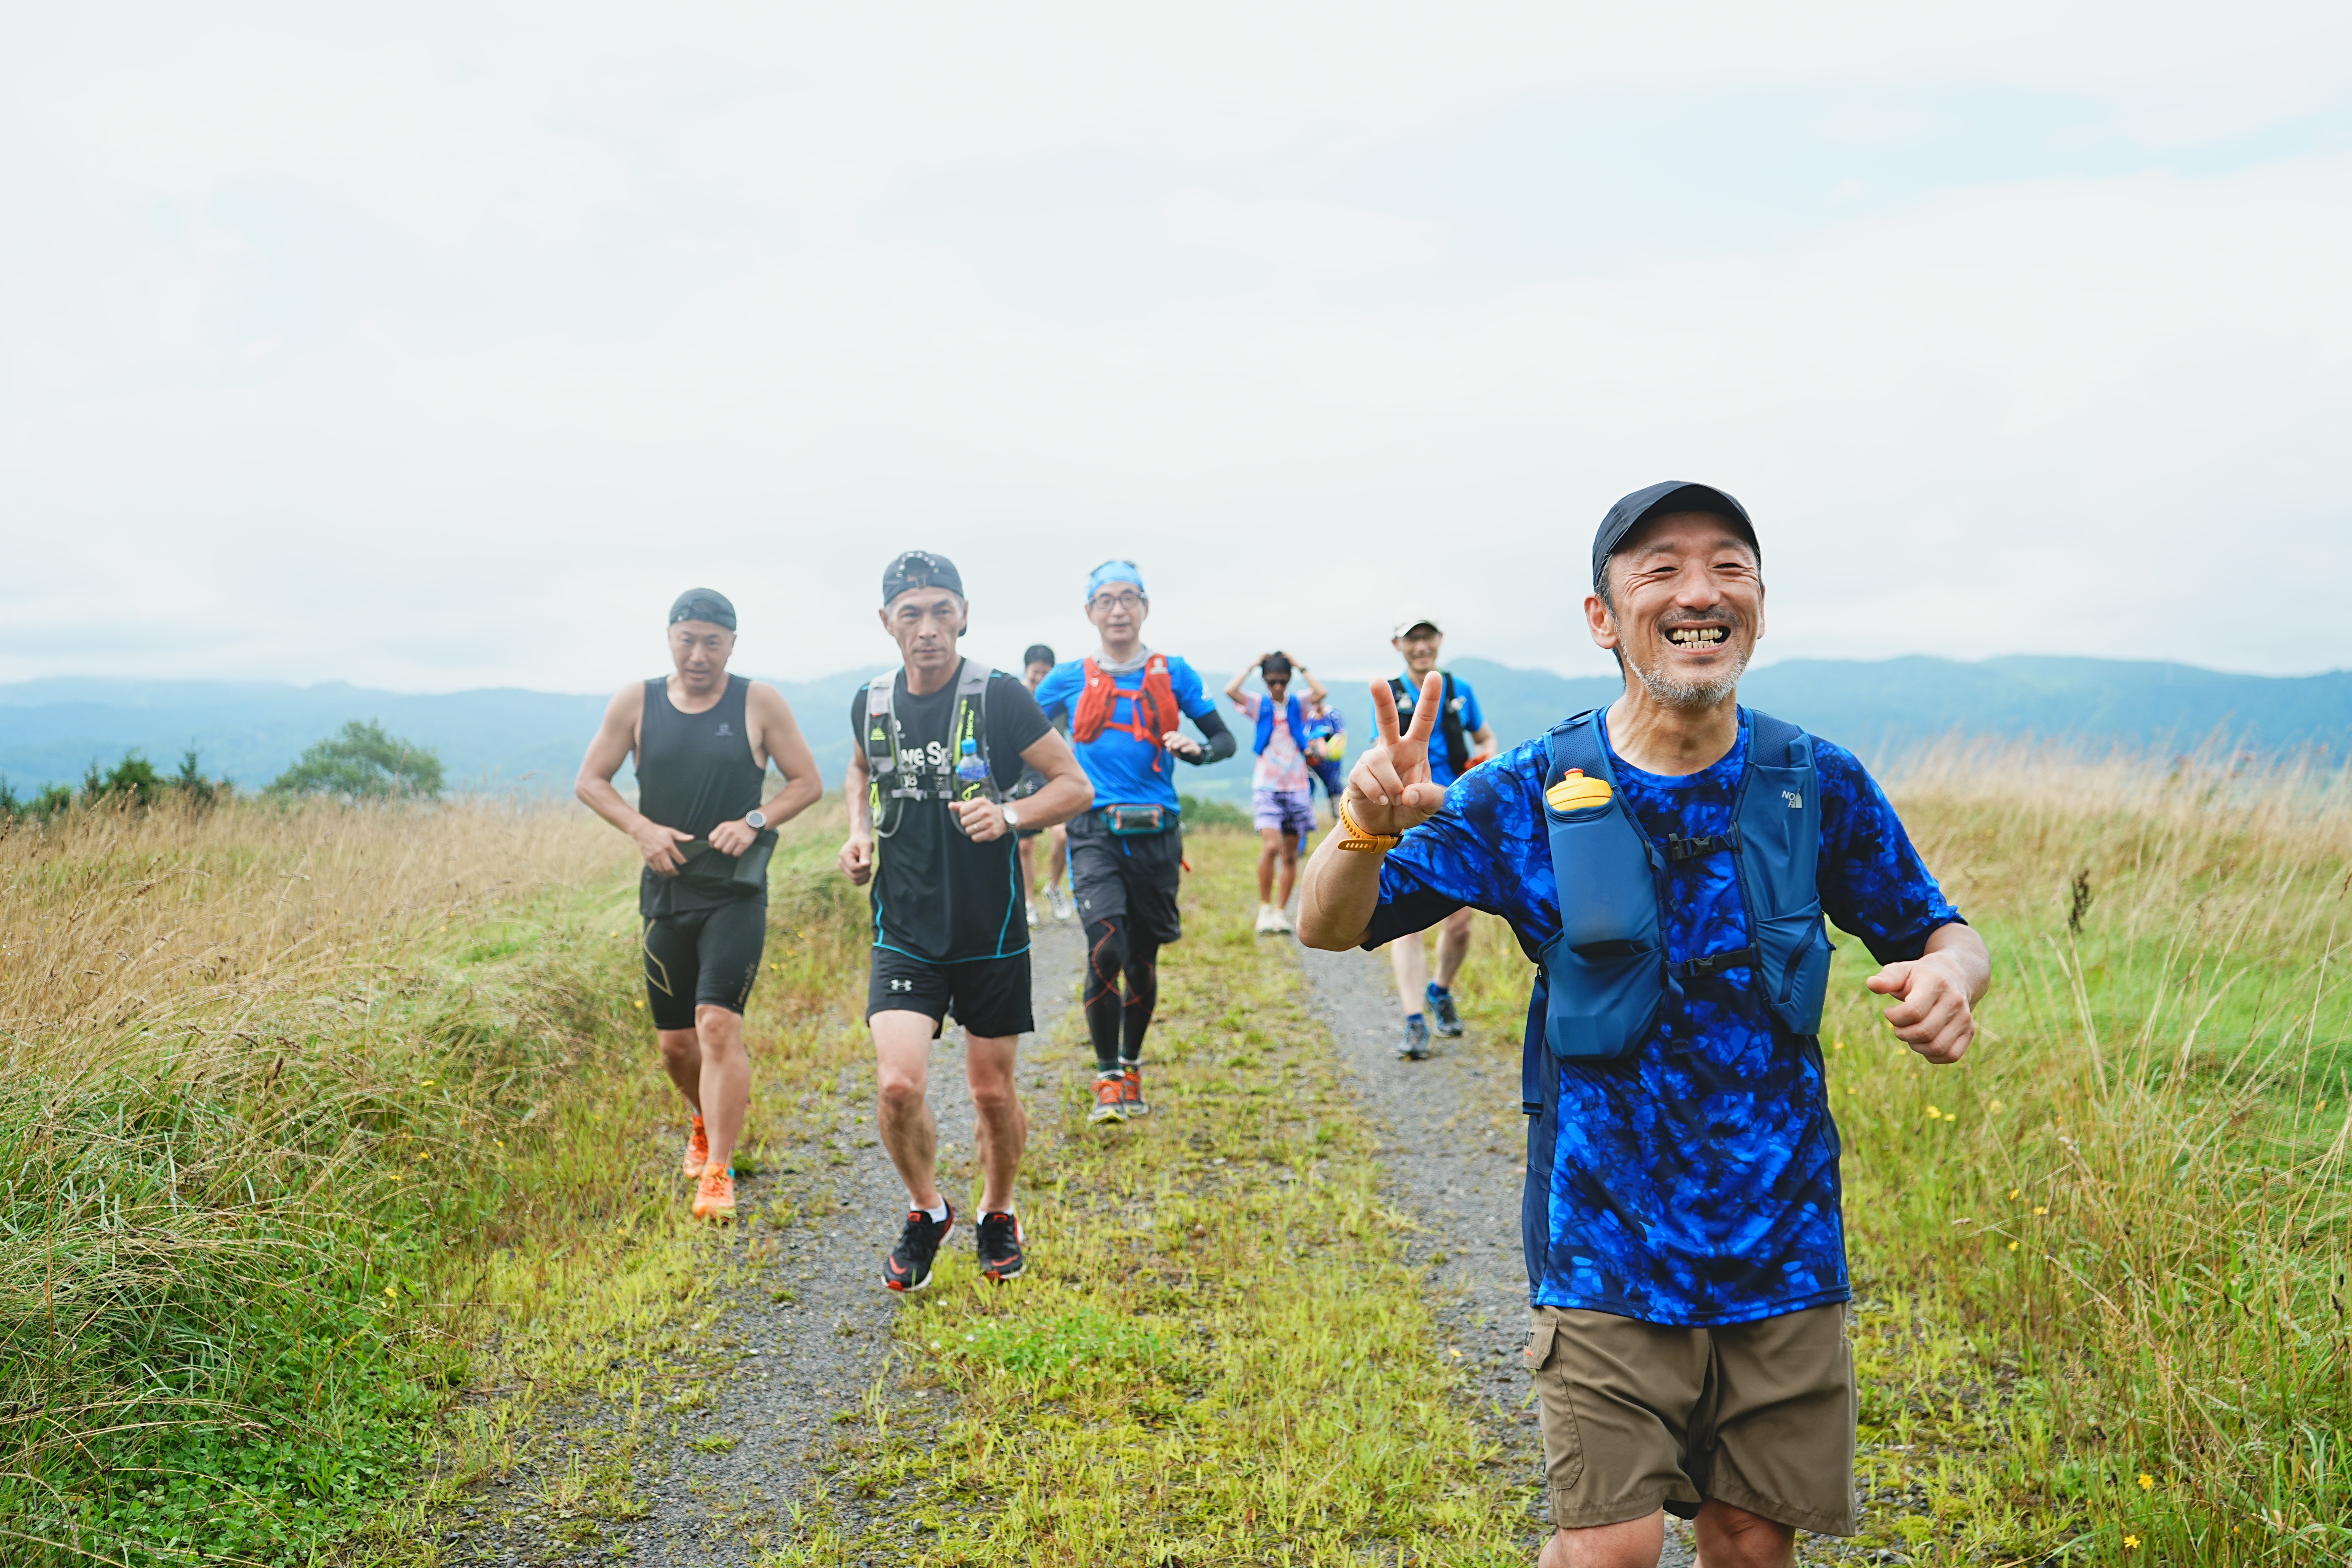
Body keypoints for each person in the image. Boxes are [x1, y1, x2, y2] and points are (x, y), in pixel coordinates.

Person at [1297, 482, 1990, 1568]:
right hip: (1600, 1236)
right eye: (1658, 569)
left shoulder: (1814, 783)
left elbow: (1940, 931)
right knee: (1608, 1547)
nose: (1697, 593)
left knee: (1750, 1539)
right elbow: (1328, 925)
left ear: (1758, 603)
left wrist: (1951, 978)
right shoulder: (1527, 786)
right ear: (1599, 616)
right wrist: (1359, 826)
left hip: (1782, 1239)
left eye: (1727, 566)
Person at [839, 553, 1091, 1291]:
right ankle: (927, 1209)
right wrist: (858, 832)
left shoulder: (1000, 696)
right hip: (905, 928)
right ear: (887, 620)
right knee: (896, 1085)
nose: (928, 629)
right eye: (911, 613)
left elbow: (1075, 785)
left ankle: (998, 1211)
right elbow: (860, 769)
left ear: (965, 614)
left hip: (992, 930)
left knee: (990, 1092)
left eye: (942, 611)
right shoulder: (873, 700)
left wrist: (1010, 813)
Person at [577, 588, 824, 1222]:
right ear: (669, 637)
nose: (698, 653)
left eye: (712, 641)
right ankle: (703, 1119)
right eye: (687, 639)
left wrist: (755, 818)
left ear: (732, 645)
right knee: (674, 1046)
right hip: (666, 887)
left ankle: (719, 1170)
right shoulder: (637, 701)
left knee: (717, 1025)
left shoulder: (757, 701)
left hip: (735, 891)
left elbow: (806, 781)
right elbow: (590, 781)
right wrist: (640, 828)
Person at [1034, 560, 1237, 1123]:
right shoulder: (1066, 679)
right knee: (1105, 947)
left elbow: (1223, 739)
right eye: (1105, 600)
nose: (1117, 610)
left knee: (1142, 958)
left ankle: (1130, 1061)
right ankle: (1105, 1078)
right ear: (1089, 613)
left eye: (1128, 599)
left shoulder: (1174, 673)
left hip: (1156, 831)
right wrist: (1037, 785)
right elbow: (1021, 734)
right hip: (1091, 827)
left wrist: (1196, 750)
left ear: (1145, 607)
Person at [1383, 611, 1498, 1057]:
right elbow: (1382, 749)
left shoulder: (1460, 690)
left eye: (1427, 638)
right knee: (1406, 922)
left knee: (1461, 923)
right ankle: (1414, 1021)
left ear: (1439, 641)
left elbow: (1485, 737)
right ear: (1398, 645)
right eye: (1412, 640)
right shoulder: (1390, 696)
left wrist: (1484, 759)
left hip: (1455, 812)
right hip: (1407, 814)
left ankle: (1440, 990)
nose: (1421, 647)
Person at [1222, 651, 1328, 934]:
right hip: (1267, 787)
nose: (1278, 687)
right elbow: (1230, 691)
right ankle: (1265, 908)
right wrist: (1253, 664)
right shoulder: (1259, 705)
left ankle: (1281, 912)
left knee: (1291, 855)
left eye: (1282, 681)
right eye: (1272, 682)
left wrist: (1300, 664)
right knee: (1271, 847)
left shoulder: (1300, 703)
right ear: (1266, 682)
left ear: (1289, 680)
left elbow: (1321, 692)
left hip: (1296, 788)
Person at [1012, 643, 1075, 927]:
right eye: (1035, 672)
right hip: (1023, 774)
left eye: (1045, 673)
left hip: (1054, 772)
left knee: (1062, 836)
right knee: (1024, 845)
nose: (1040, 678)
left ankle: (1053, 887)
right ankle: (1028, 902)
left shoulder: (1059, 700)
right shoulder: (1015, 696)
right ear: (1026, 670)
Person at [1302, 695, 1348, 824]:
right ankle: (1304, 825)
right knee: (1306, 794)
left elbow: (1340, 737)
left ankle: (1342, 824)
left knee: (1335, 793)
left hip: (1331, 765)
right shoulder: (1309, 719)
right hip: (1311, 763)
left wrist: (1321, 740)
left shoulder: (1333, 716)